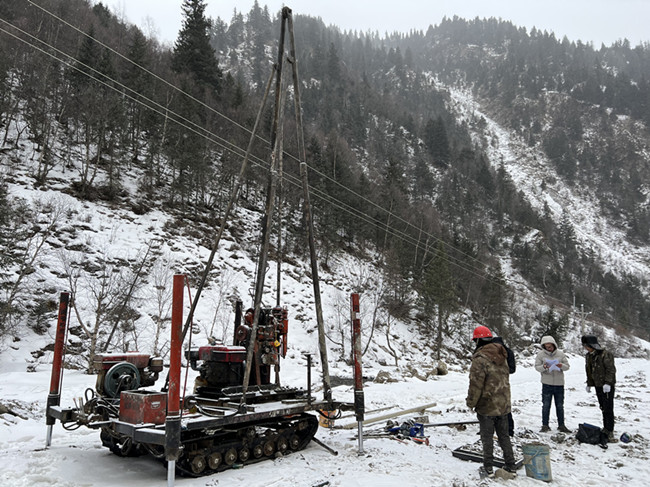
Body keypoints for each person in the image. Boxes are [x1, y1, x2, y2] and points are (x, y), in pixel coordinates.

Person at [466, 325, 517, 479]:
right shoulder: (503, 353)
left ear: (478, 340)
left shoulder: (480, 358)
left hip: (487, 405)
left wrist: (471, 402)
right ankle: (511, 465)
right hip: (503, 403)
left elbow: (476, 384)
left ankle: (488, 467)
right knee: (504, 436)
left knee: (487, 437)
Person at [582, 335, 617, 442]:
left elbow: (610, 369)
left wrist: (608, 383)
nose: (586, 348)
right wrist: (589, 383)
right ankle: (605, 427)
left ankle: (609, 430)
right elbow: (589, 370)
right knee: (602, 406)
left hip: (606, 386)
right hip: (597, 385)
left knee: (608, 408)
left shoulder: (605, 354)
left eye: (587, 346)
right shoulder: (589, 356)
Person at [534, 336, 571, 433]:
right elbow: (537, 367)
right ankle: (545, 425)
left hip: (559, 384)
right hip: (547, 383)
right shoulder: (540, 355)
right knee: (546, 405)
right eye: (546, 347)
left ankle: (561, 425)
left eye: (550, 346)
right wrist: (544, 367)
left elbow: (567, 367)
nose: (549, 348)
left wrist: (561, 366)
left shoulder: (561, 354)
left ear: (554, 345)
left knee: (560, 405)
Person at [492, 336, 516, 436]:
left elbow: (512, 369)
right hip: (493, 383)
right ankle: (491, 429)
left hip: (502, 383)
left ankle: (509, 429)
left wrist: (500, 370)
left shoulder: (508, 352)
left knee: (504, 408)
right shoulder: (491, 353)